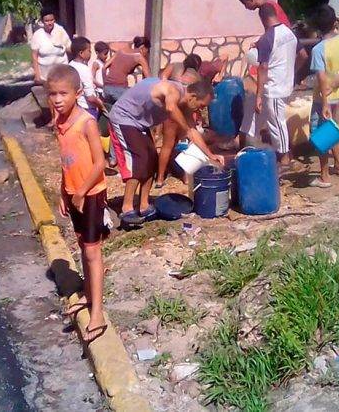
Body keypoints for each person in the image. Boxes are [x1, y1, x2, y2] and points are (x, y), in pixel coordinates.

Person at [47, 64, 109, 343]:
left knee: (93, 252)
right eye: (53, 94)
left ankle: (98, 312)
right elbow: (65, 162)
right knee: (83, 247)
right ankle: (86, 293)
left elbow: (100, 163)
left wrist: (82, 191)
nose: (58, 99)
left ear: (78, 93)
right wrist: (64, 191)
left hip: (91, 194)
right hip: (74, 194)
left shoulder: (87, 123)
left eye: (63, 93)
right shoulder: (59, 123)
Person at [108, 78, 224, 226]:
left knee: (151, 160)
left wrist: (210, 155)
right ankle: (127, 208)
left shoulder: (186, 106)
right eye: (201, 105)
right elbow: (170, 108)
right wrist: (187, 129)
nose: (201, 110)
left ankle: (144, 206)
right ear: (193, 97)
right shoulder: (173, 90)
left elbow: (193, 132)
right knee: (140, 160)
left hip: (140, 124)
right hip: (124, 118)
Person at [239, 3, 297, 170]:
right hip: (285, 83)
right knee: (269, 119)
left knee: (277, 122)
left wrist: (258, 95)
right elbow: (302, 55)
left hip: (273, 88)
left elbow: (262, 68)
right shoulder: (289, 33)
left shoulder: (267, 38)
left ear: (262, 18)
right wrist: (293, 74)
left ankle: (285, 159)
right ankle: (251, 146)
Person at [307, 5, 339, 188]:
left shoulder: (319, 49)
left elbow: (321, 78)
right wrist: (337, 83)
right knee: (331, 129)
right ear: (334, 23)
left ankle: (324, 176)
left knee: (321, 135)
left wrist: (325, 102)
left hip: (323, 99)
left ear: (317, 27)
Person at [102, 36, 151, 104]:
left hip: (107, 88)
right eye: (147, 50)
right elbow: (149, 79)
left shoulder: (121, 51)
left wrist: (105, 83)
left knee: (110, 111)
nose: (146, 54)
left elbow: (104, 67)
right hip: (120, 88)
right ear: (142, 47)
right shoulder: (139, 57)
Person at [31, 8, 72, 84]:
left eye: (51, 20)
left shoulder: (60, 31)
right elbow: (34, 56)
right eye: (47, 21)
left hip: (62, 73)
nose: (50, 23)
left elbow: (69, 47)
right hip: (45, 76)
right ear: (42, 21)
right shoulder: (38, 35)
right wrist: (37, 75)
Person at [69, 36, 104, 118]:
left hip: (74, 107)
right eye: (89, 51)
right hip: (87, 109)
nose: (90, 53)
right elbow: (90, 97)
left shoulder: (70, 65)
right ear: (81, 53)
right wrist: (101, 105)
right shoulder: (84, 70)